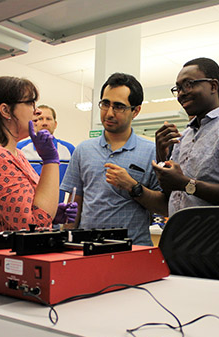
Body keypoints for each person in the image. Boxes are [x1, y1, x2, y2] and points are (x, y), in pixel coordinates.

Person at [0, 76, 76, 232]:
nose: (37, 111)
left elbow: (30, 210)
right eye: (30, 103)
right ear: (6, 110)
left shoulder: (14, 153)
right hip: (4, 254)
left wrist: (53, 213)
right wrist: (50, 160)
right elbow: (35, 224)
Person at [60, 73, 167, 246]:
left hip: (132, 249)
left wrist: (133, 187)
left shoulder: (152, 152)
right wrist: (64, 242)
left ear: (136, 110)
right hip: (87, 249)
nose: (109, 113)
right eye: (105, 104)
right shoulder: (83, 150)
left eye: (118, 106)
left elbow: (164, 207)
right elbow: (74, 203)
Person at [153, 57, 219, 216]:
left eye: (188, 84)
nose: (181, 93)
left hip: (215, 235)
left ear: (213, 86)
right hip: (180, 232)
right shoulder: (185, 135)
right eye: (178, 88)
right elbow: (173, 192)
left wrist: (186, 184)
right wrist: (161, 154)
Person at [17, 104, 75, 203]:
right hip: (27, 207)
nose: (44, 123)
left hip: (57, 209)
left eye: (48, 119)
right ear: (33, 123)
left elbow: (74, 185)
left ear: (55, 124)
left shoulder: (69, 150)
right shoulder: (19, 148)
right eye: (40, 119)